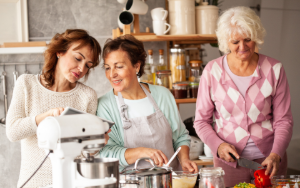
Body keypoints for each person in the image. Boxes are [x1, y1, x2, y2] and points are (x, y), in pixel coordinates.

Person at [194, 6, 293, 187]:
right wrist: (218, 146)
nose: (242, 47)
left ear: (255, 36)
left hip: (269, 161)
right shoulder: (212, 71)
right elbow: (201, 121)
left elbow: (283, 120)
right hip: (229, 162)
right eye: (235, 42)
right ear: (225, 42)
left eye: (248, 39)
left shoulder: (274, 69)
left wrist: (275, 154)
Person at [6, 29, 101, 188]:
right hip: (32, 184)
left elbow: (85, 154)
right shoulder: (26, 84)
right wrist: (46, 117)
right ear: (59, 51)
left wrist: (97, 144)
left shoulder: (87, 96)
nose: (81, 69)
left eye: (88, 65)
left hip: (71, 184)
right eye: (78, 58)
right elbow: (12, 132)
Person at [97, 35, 198, 172]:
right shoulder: (105, 105)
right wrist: (141, 152)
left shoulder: (163, 95)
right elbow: (106, 152)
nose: (111, 74)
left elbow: (180, 137)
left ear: (137, 66)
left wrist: (185, 159)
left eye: (119, 66)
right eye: (107, 68)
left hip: (169, 181)